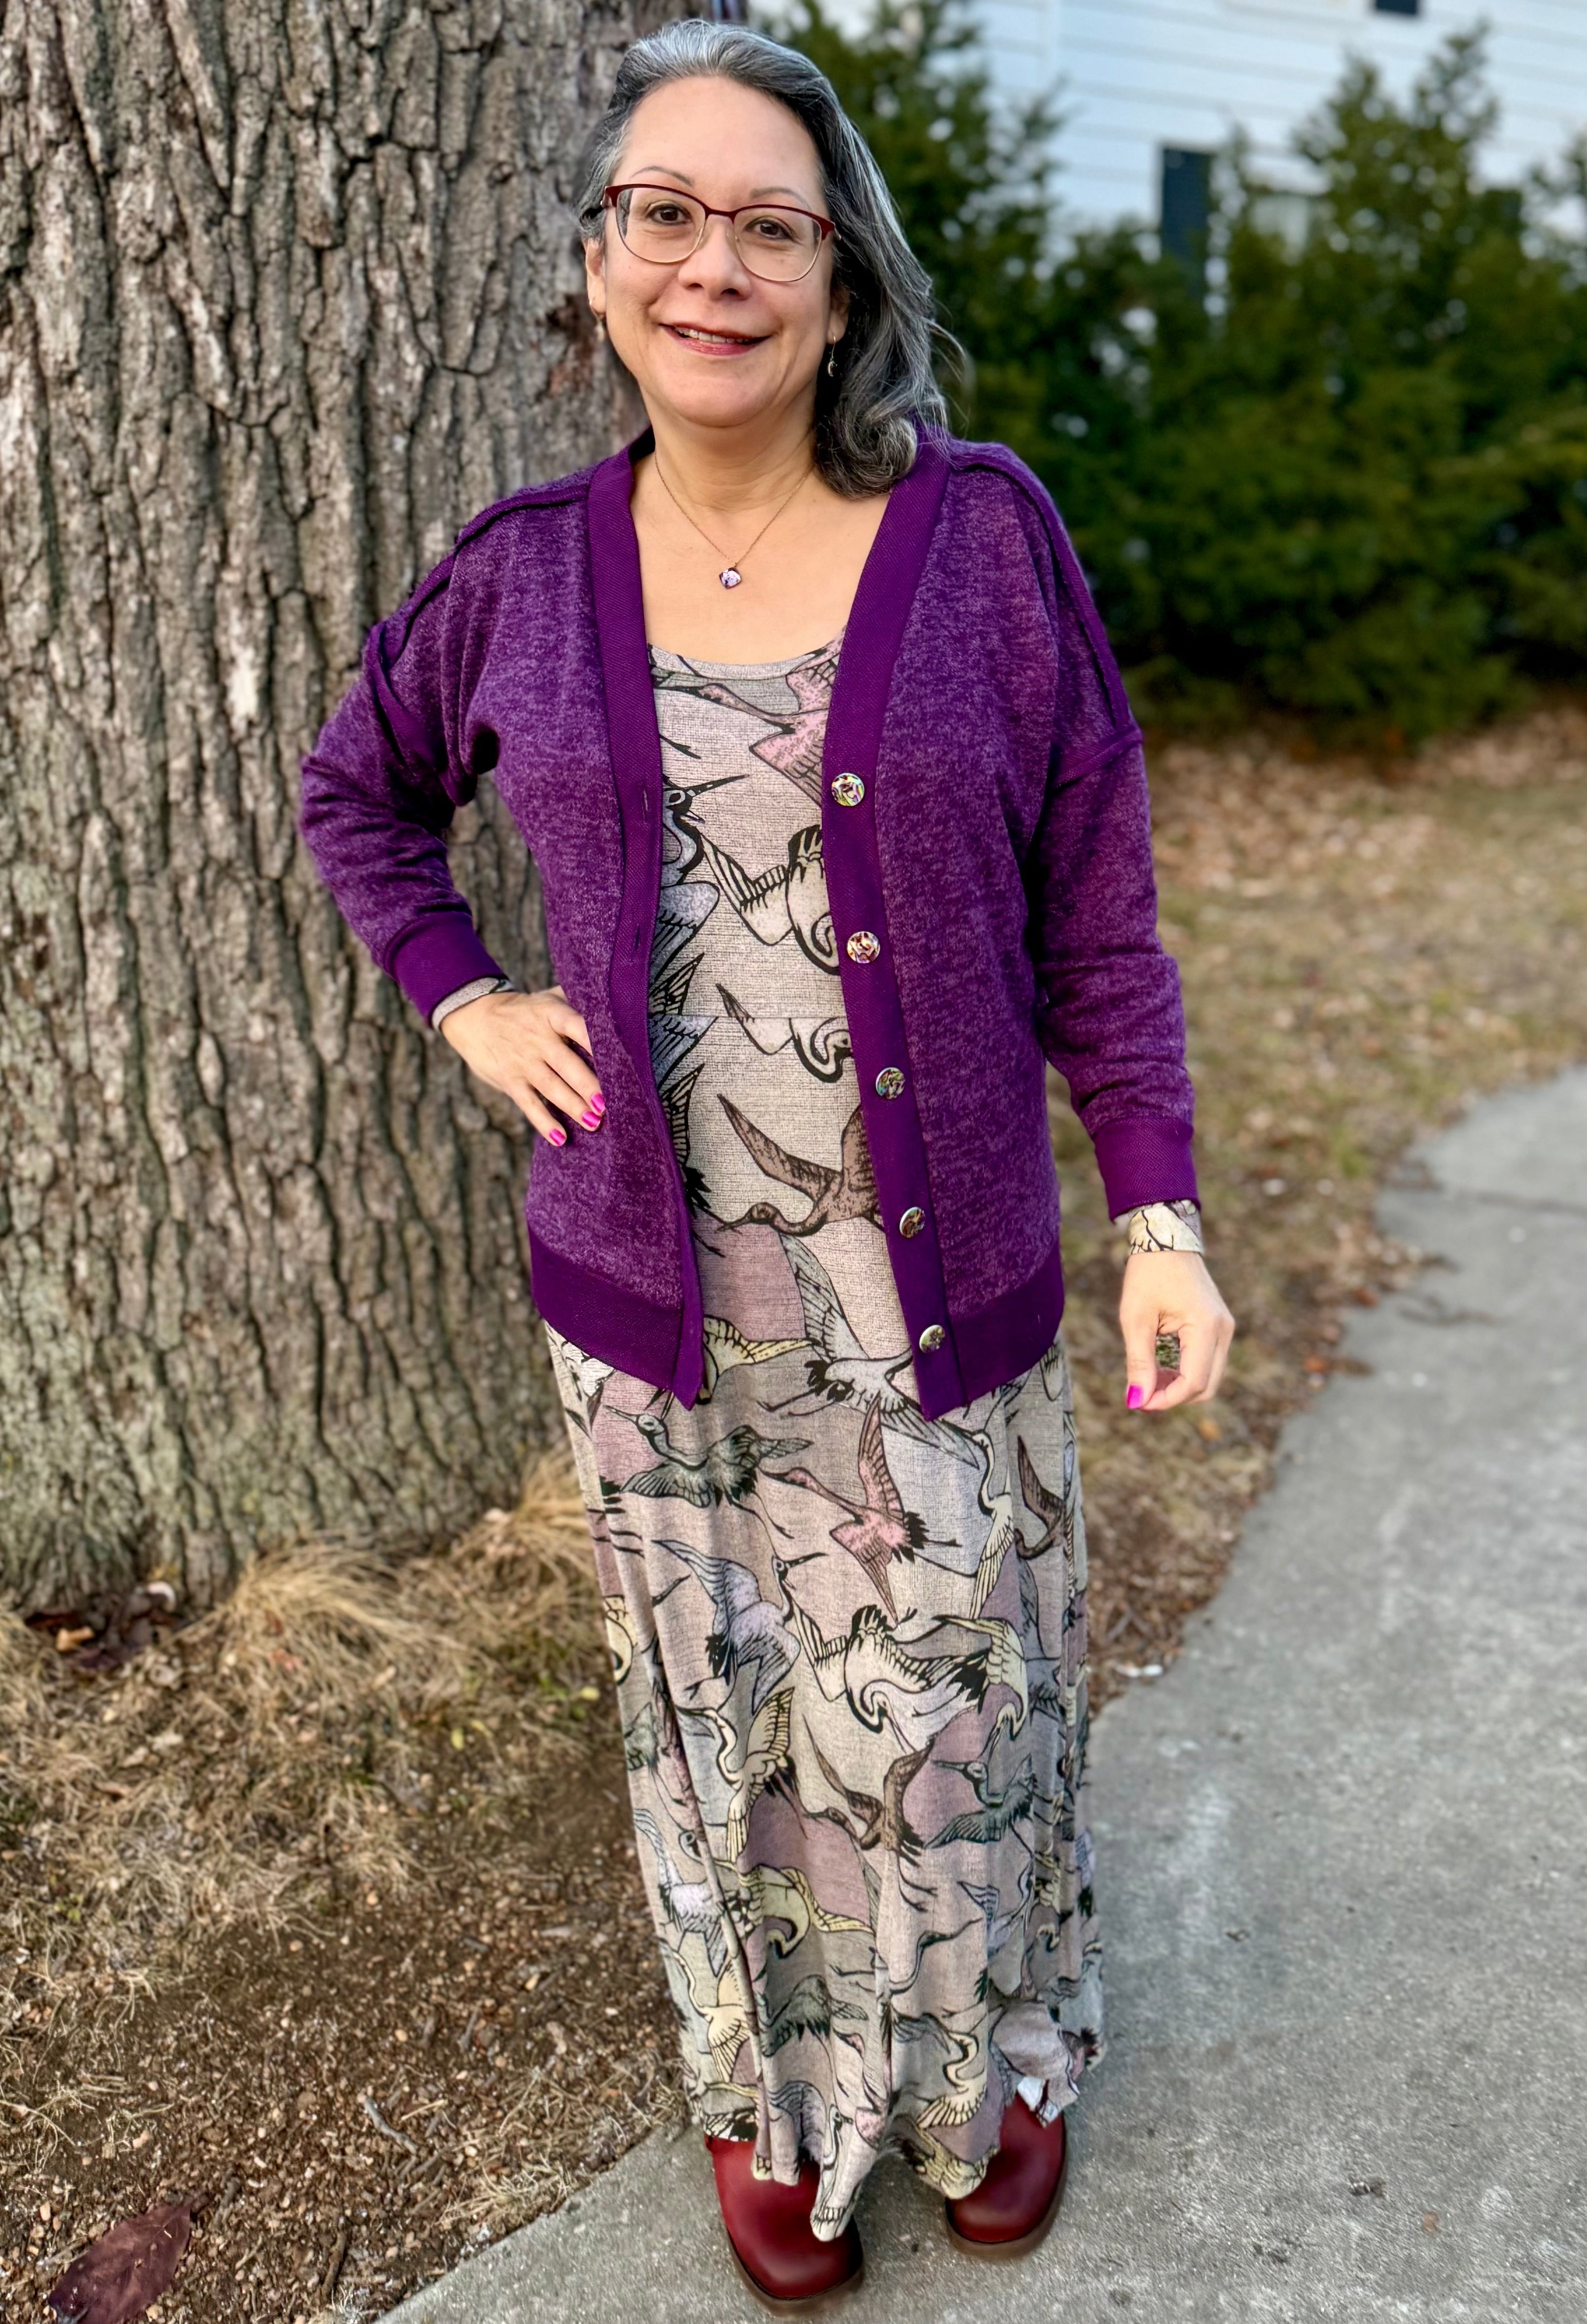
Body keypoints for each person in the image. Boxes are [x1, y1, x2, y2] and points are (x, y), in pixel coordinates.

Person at [299, 17, 1234, 2309]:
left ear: (844, 280)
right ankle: (778, 2106)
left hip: (943, 1293)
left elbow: (1098, 897)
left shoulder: (983, 538)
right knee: (724, 1715)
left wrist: (1159, 1206)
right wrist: (463, 994)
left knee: (961, 1695)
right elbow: (357, 795)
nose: (714, 264)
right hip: (659, 1314)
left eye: (769, 225)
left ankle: (982, 2067)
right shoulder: (521, 570)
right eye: (667, 214)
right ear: (600, 266)